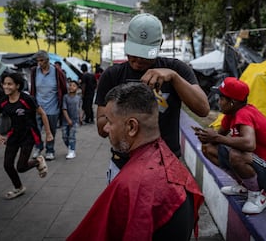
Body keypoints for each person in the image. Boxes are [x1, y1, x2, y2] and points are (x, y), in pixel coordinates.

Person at [67, 83, 204, 241]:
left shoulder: (130, 184)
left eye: (110, 122)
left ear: (132, 127)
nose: (106, 128)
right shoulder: (168, 160)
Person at [95, 13, 210, 182]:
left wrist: (174, 77)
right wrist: (127, 111)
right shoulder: (112, 75)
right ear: (127, 41)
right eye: (134, 53)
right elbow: (101, 128)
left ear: (160, 45)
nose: (138, 60)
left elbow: (203, 109)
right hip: (123, 165)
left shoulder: (177, 69)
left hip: (166, 165)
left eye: (145, 54)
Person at [194, 77, 266, 214]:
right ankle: (244, 186)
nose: (218, 101)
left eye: (221, 98)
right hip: (258, 165)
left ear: (232, 102)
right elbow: (216, 140)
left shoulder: (244, 114)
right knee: (209, 148)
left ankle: (257, 197)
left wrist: (217, 137)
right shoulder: (230, 114)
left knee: (237, 154)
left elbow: (249, 144)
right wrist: (206, 138)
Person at [0, 73, 51, 199]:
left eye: (9, 84)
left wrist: (48, 133)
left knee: (21, 167)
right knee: (7, 165)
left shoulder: (27, 99)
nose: (6, 86)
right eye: (4, 84)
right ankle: (19, 187)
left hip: (29, 135)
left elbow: (42, 114)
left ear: (17, 85)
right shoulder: (3, 101)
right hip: (14, 135)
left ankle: (37, 161)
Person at [30, 50, 67, 161]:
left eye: (42, 60)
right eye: (38, 61)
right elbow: (33, 89)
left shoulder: (57, 72)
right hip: (38, 107)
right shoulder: (34, 72)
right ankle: (38, 146)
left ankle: (50, 150)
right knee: (36, 129)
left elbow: (64, 88)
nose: (39, 63)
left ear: (47, 60)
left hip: (53, 108)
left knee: (51, 131)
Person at [62, 80, 83, 159]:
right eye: (70, 85)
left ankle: (72, 150)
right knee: (64, 136)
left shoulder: (78, 98)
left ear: (77, 88)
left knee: (72, 136)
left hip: (75, 120)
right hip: (65, 120)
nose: (71, 87)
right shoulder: (65, 97)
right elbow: (64, 109)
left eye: (74, 85)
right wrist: (68, 119)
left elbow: (79, 108)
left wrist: (80, 118)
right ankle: (70, 147)